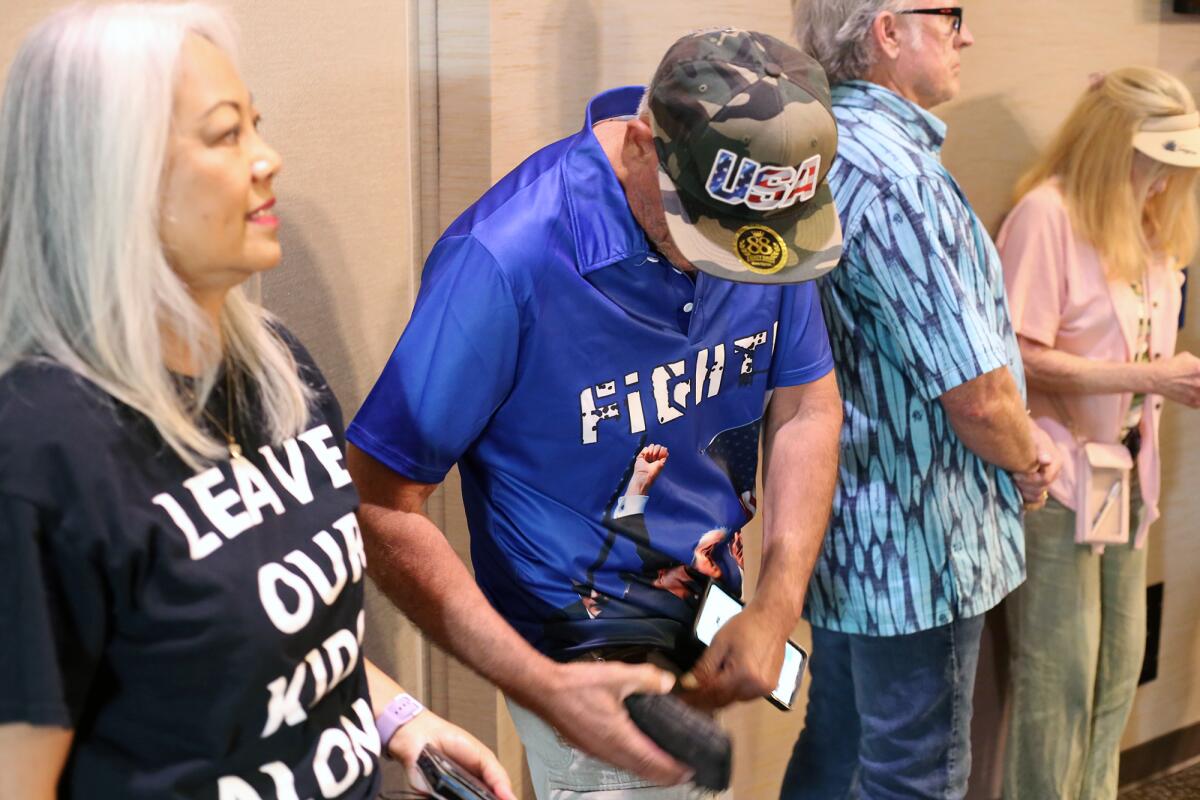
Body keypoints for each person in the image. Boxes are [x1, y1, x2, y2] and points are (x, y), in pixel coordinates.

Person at [0, 5, 513, 800]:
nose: (267, 160)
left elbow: (271, 640)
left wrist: (398, 718)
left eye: (256, 127)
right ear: (111, 172)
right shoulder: (40, 449)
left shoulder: (276, 367)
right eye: (224, 135)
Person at [346, 28, 845, 799]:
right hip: (581, 662)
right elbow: (380, 504)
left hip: (706, 615)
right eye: (706, 242)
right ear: (643, 147)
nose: (731, 270)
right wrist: (542, 683)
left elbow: (808, 404)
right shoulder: (503, 258)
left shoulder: (752, 217)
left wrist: (777, 605)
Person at [783, 2, 1062, 798]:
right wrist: (1027, 455)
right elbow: (976, 397)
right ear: (888, 32)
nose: (966, 35)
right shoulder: (898, 176)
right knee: (916, 774)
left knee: (838, 750)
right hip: (916, 543)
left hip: (845, 519)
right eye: (949, 15)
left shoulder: (820, 144)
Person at [998, 67, 1200, 800]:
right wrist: (1149, 380)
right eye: (1156, 162)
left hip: (1127, 477)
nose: (1164, 182)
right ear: (1113, 145)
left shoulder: (1153, 227)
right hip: (1059, 477)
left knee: (1118, 670)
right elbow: (1016, 358)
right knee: (1059, 683)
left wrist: (1157, 380)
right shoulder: (1048, 217)